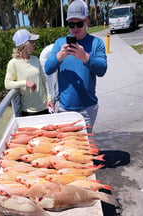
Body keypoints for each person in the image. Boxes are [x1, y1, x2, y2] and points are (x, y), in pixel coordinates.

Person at [44, 0, 107, 132]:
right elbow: (48, 69)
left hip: (88, 108)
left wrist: (85, 57)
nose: (75, 28)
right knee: (67, 146)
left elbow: (102, 70)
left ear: (86, 21)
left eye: (79, 23)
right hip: (64, 108)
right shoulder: (60, 43)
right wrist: (59, 56)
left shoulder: (97, 43)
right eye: (71, 24)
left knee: (85, 144)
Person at [5, 29, 54, 116]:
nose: (34, 44)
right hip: (28, 111)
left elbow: (44, 81)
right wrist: (25, 83)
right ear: (25, 44)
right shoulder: (13, 63)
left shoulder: (35, 59)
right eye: (32, 41)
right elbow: (7, 84)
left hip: (45, 107)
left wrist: (49, 99)